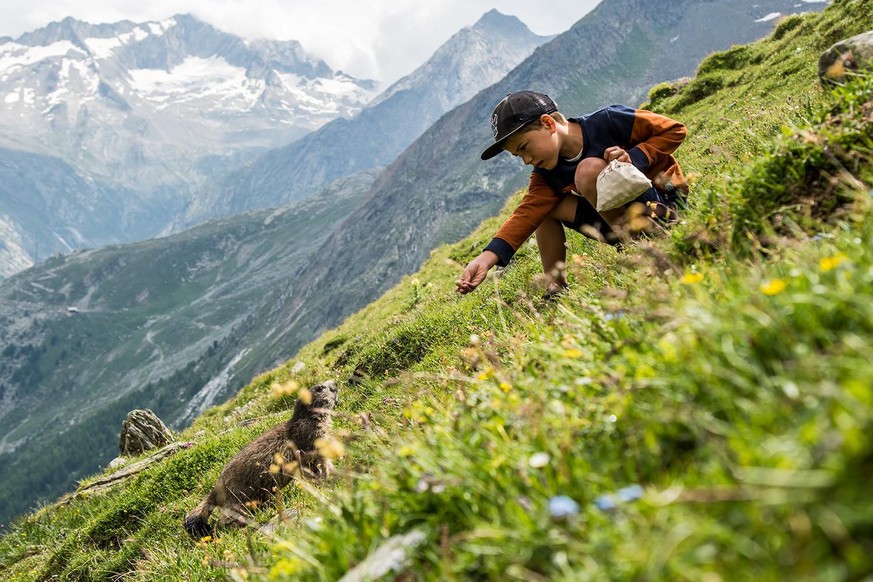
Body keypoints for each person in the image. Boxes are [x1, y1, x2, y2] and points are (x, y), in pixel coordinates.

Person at [455, 90, 689, 296]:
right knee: (542, 210)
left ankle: (645, 246)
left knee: (587, 171)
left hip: (662, 203)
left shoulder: (609, 121)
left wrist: (636, 157)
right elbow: (525, 214)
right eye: (519, 156)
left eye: (524, 147)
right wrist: (485, 259)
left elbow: (674, 129)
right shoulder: (545, 173)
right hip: (617, 224)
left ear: (548, 123)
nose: (526, 160)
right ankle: (555, 288)